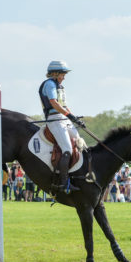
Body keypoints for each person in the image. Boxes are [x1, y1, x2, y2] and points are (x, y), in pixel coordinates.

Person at [39, 60, 84, 193]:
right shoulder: (49, 84)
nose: (64, 77)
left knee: (80, 144)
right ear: (55, 73)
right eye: (62, 74)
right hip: (54, 120)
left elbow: (64, 106)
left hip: (64, 118)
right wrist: (68, 116)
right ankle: (63, 183)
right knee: (67, 149)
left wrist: (74, 117)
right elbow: (54, 103)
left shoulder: (60, 87)